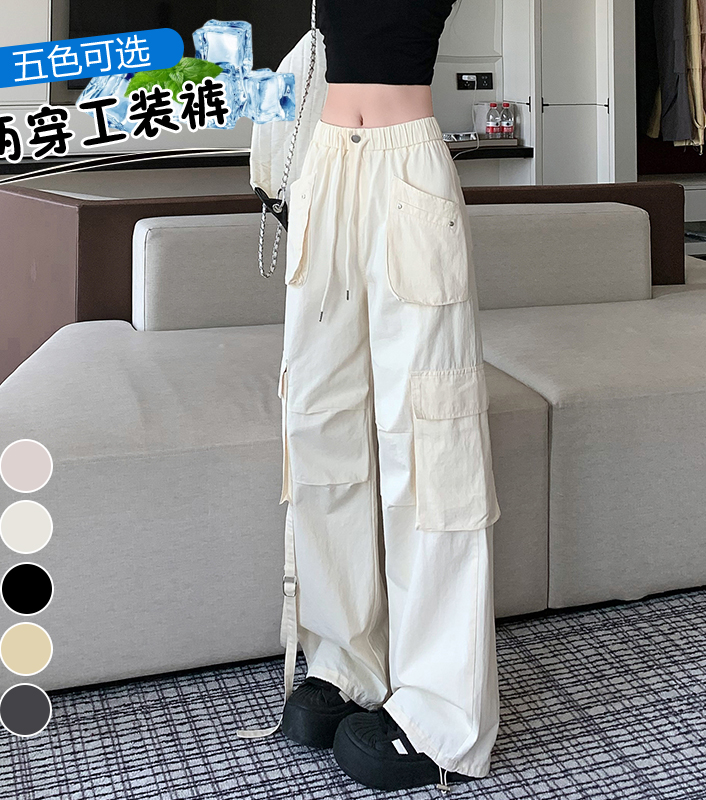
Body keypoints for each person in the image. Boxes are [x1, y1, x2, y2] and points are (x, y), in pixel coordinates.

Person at [239, 0, 502, 791]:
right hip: (325, 165)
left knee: (431, 438)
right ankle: (347, 659)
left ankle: (442, 716)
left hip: (406, 169)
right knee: (321, 420)